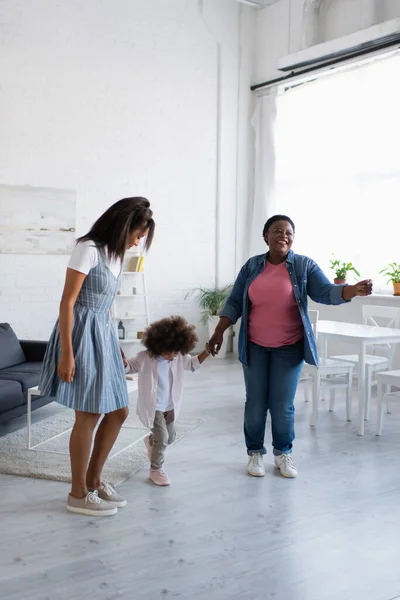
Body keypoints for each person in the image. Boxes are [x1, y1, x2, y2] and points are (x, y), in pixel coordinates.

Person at [208, 215, 372, 479]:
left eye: (288, 232)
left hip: (289, 347)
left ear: (293, 238)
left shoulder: (303, 266)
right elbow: (235, 301)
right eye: (277, 231)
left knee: (283, 405)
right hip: (254, 346)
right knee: (255, 403)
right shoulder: (252, 266)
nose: (283, 236)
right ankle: (254, 454)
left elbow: (325, 292)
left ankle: (283, 453)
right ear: (266, 236)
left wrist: (351, 290)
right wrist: (218, 331)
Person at [39, 197, 155, 516]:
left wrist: (114, 343)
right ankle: (77, 494)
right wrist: (67, 353)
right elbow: (67, 302)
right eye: (138, 234)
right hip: (80, 336)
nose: (138, 241)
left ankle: (93, 481)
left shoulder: (115, 255)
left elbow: (105, 303)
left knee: (118, 411)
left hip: (103, 335)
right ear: (123, 225)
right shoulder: (88, 249)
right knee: (88, 415)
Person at [124, 316, 211, 486]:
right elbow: (129, 366)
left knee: (170, 437)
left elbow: (192, 364)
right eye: (168, 352)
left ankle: (151, 442)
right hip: (153, 406)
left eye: (175, 352)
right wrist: (120, 362)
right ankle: (156, 469)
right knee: (162, 438)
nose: (172, 356)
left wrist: (206, 352)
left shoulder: (178, 357)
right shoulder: (145, 358)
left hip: (170, 406)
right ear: (157, 346)